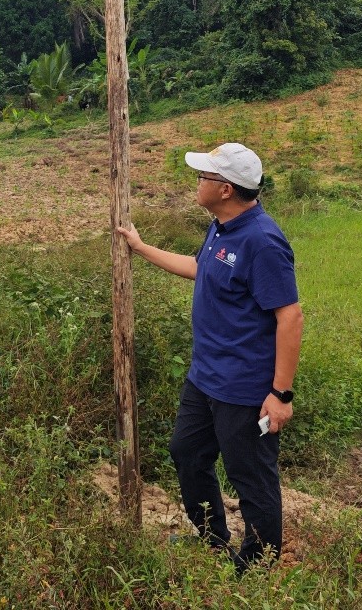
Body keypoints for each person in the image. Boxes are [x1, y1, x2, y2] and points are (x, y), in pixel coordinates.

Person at [117, 142, 303, 572]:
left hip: (244, 387)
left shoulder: (262, 241)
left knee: (250, 477)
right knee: (187, 453)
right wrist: (141, 248)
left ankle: (256, 570)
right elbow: (201, 268)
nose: (196, 182)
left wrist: (280, 394)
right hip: (205, 377)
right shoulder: (221, 227)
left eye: (203, 177)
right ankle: (213, 539)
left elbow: (290, 317)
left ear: (225, 189)